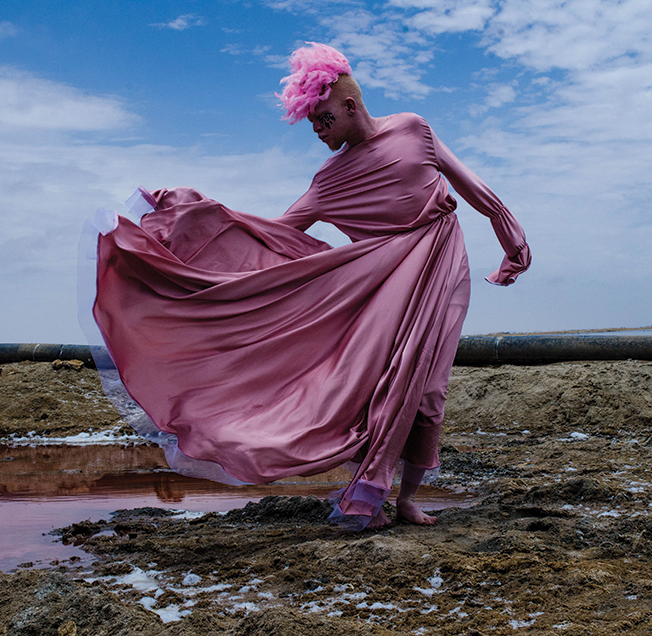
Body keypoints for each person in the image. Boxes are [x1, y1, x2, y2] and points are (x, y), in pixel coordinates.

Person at [81, 42, 530, 530]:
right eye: (312, 123)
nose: (317, 131)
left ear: (350, 106)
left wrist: (511, 240)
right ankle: (371, 494)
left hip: (444, 270)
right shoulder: (328, 181)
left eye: (322, 120)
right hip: (377, 293)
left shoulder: (413, 129)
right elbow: (276, 231)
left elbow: (472, 187)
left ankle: (405, 499)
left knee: (428, 392)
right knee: (373, 387)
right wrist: (189, 222)